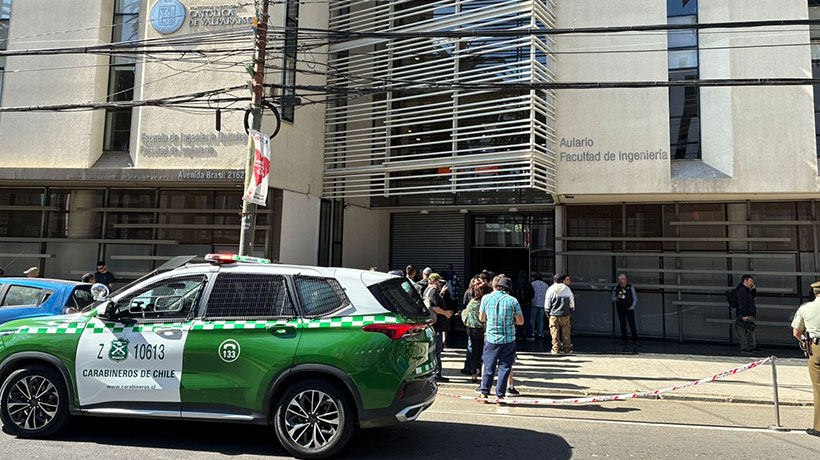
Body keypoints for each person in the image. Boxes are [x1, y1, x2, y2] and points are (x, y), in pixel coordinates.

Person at [478, 276, 524, 405]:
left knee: (488, 366)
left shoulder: (486, 298)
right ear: (509, 289)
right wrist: (511, 320)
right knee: (505, 367)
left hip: (491, 338)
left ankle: (484, 393)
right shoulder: (512, 301)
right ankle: (500, 397)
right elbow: (520, 321)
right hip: (508, 339)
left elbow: (481, 318)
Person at [791, 281, 820, 437]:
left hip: (816, 348)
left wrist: (804, 341)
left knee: (818, 387)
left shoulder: (805, 308)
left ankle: (819, 426)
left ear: (815, 292)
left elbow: (796, 332)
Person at [423, 273, 452, 382]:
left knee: (433, 350)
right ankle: (437, 374)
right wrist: (446, 313)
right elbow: (434, 307)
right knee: (437, 350)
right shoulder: (433, 291)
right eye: (439, 281)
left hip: (431, 324)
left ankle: (433, 373)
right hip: (437, 326)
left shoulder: (427, 291)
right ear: (433, 281)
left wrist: (441, 294)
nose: (440, 283)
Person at [462, 283, 492, 384]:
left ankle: (474, 374)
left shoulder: (472, 302)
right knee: (486, 352)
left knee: (474, 352)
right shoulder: (486, 302)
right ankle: (484, 375)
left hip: (472, 329)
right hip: (483, 330)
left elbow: (465, 314)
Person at [547, 274, 575, 354]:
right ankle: (567, 348)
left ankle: (555, 348)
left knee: (554, 331)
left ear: (554, 280)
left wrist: (547, 311)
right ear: (561, 280)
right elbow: (571, 302)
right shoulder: (567, 289)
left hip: (554, 314)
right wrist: (571, 310)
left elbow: (547, 302)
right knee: (566, 332)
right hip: (565, 314)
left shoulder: (551, 289)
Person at [612, 274, 639, 346]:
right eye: (620, 280)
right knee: (623, 324)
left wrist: (632, 306)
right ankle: (624, 340)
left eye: (623, 280)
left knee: (632, 324)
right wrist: (617, 298)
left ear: (625, 280)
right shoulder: (616, 288)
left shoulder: (630, 287)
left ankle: (635, 340)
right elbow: (613, 298)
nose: (622, 282)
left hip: (629, 308)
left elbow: (635, 298)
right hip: (620, 309)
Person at [734, 275, 759, 354]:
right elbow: (742, 303)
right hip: (745, 314)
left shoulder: (747, 289)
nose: (751, 283)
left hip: (750, 313)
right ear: (745, 281)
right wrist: (743, 315)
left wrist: (753, 290)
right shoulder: (741, 290)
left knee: (750, 331)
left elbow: (751, 298)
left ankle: (751, 346)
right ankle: (744, 347)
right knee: (744, 332)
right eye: (750, 281)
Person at [514, 270, 535, 341]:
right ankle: (528, 335)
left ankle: (519, 335)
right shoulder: (528, 284)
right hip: (527, 305)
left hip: (518, 305)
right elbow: (532, 294)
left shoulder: (516, 284)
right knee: (527, 320)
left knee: (518, 321)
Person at [531, 273, 549, 339]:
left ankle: (532, 332)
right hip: (542, 303)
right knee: (541, 319)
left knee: (533, 318)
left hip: (534, 303)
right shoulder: (545, 285)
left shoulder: (532, 284)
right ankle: (540, 332)